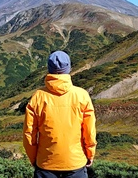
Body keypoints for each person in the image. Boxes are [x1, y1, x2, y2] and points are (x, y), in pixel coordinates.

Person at [23, 50, 97, 178]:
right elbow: (89, 132)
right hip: (76, 164)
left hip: (45, 165)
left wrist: (34, 159)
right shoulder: (82, 95)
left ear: (48, 69)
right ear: (69, 68)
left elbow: (29, 135)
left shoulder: (38, 97)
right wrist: (90, 154)